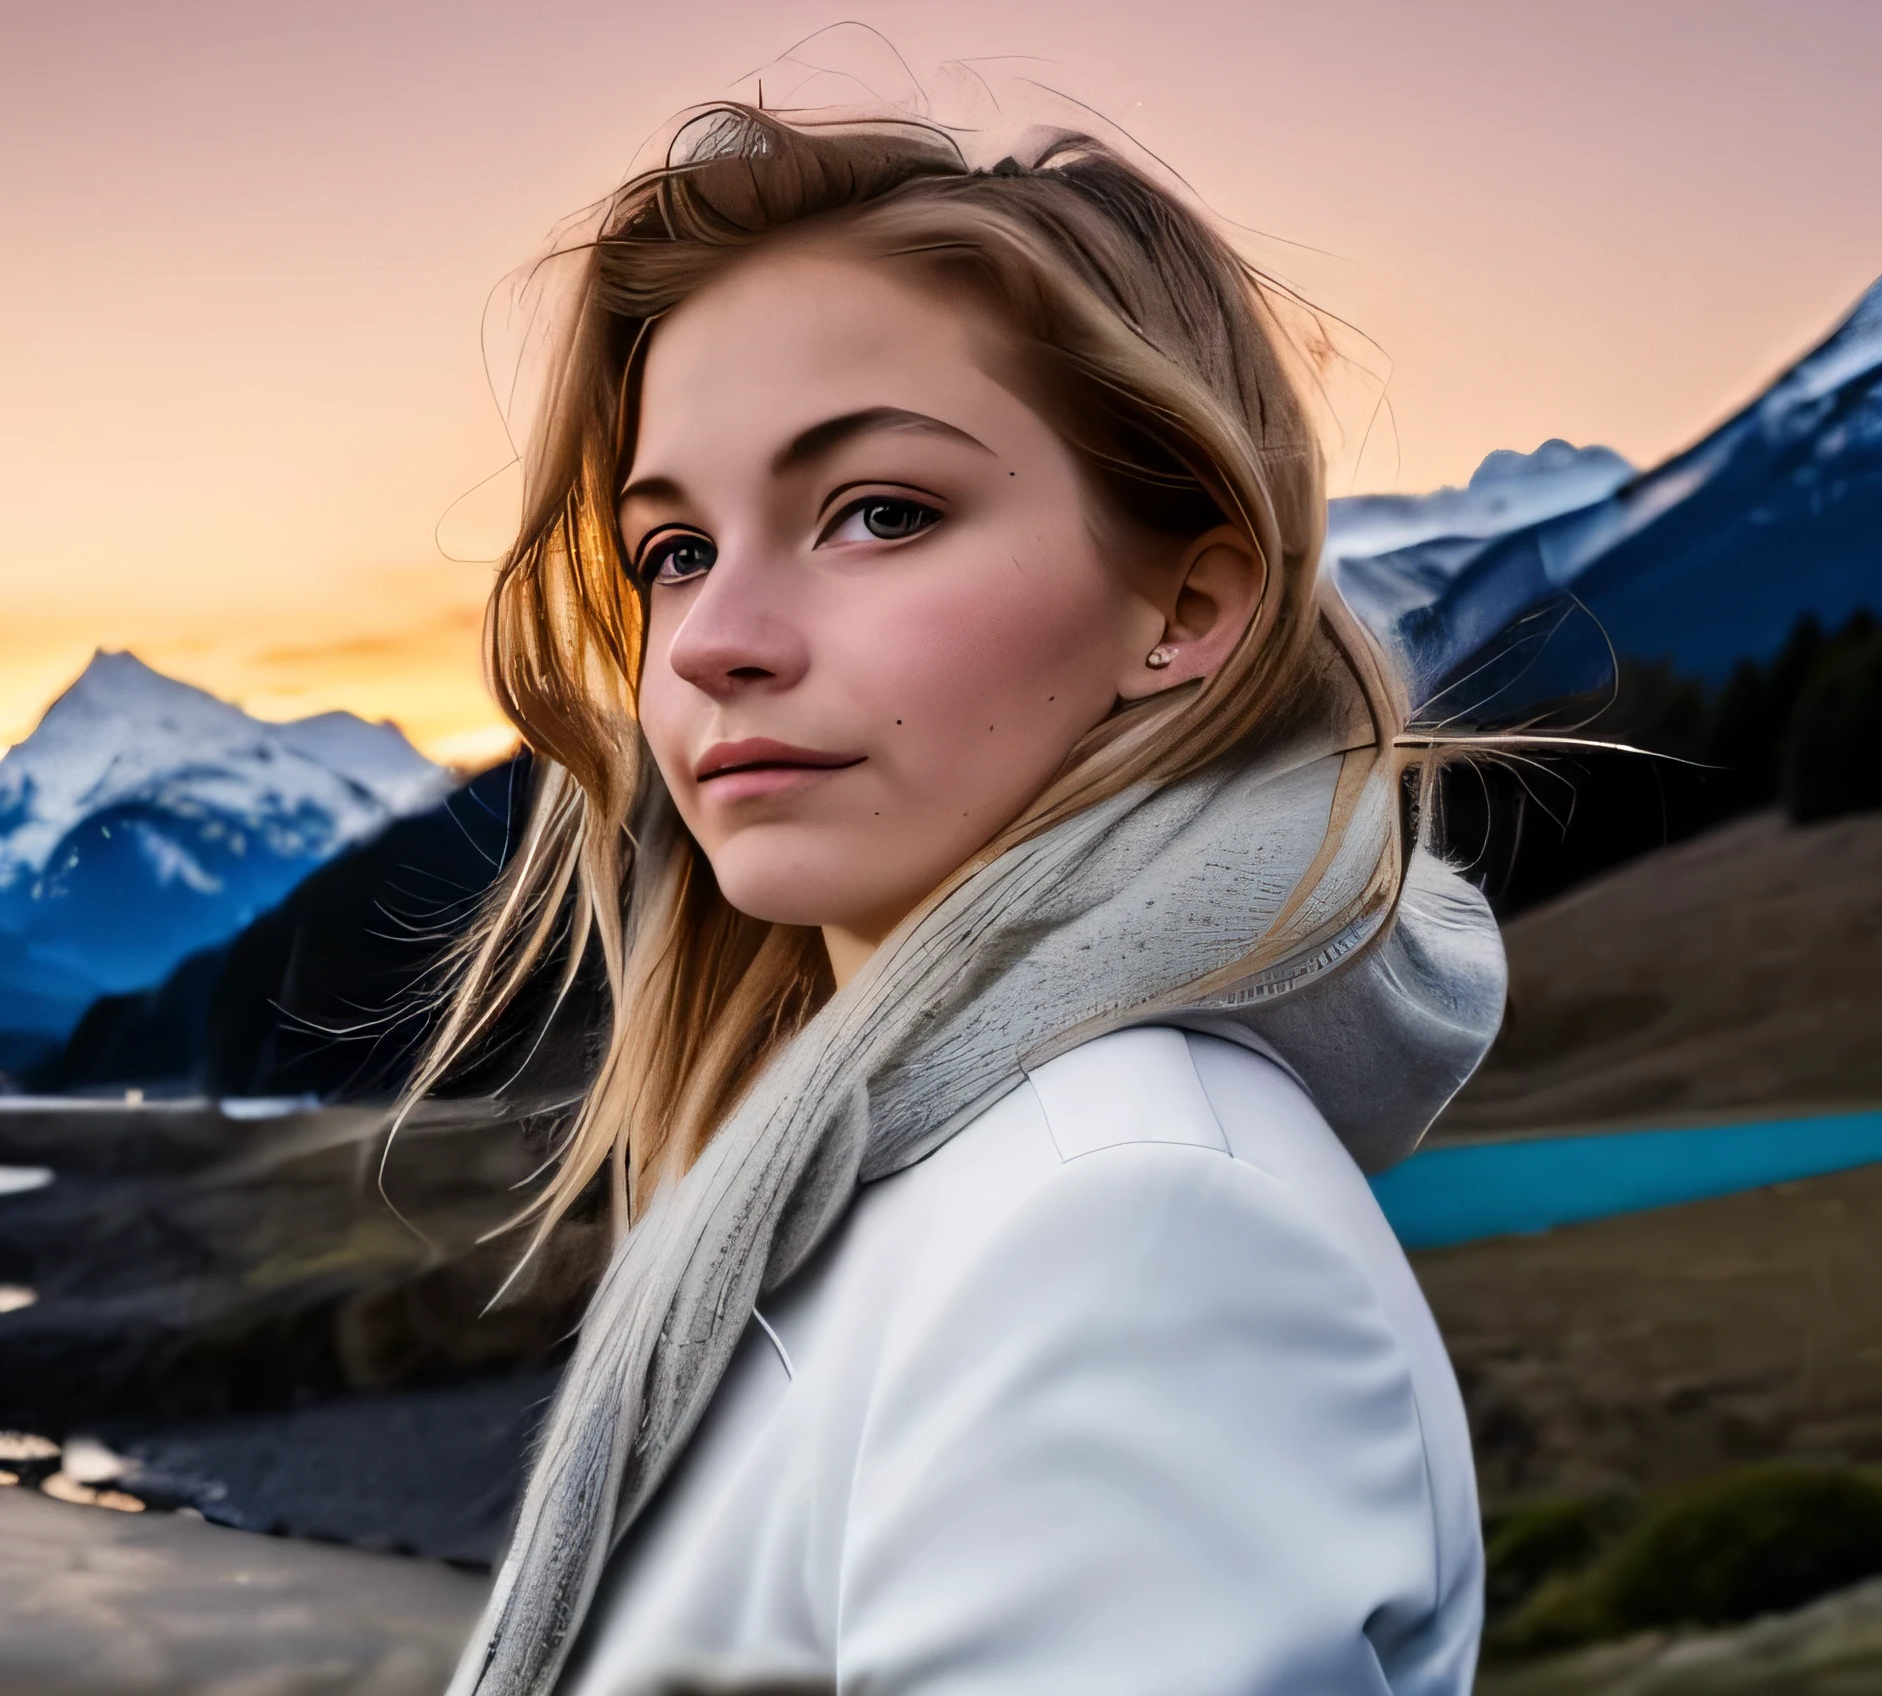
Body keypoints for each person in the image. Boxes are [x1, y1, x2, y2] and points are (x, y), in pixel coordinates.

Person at [413, 105, 1505, 1696]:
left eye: (879, 513)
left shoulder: (1128, 1223)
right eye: (673, 551)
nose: (718, 638)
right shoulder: (916, 1175)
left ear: (1186, 607)